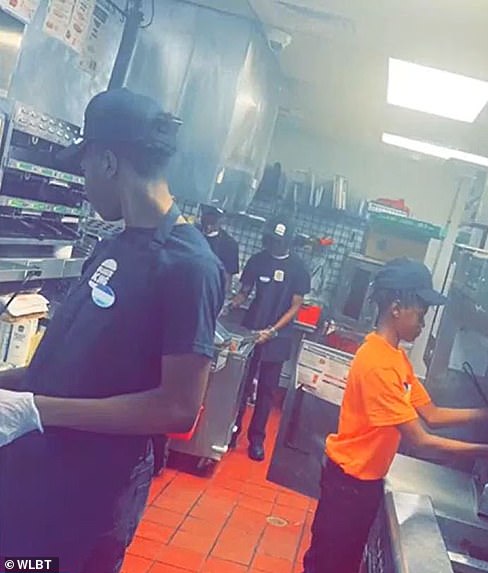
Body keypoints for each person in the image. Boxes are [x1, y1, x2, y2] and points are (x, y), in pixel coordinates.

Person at [0, 89, 224, 572]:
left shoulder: (191, 267)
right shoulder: (113, 247)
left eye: (83, 169)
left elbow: (178, 406)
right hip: (37, 476)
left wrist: (35, 410)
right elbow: (63, 364)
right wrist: (11, 389)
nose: (83, 182)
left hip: (91, 498)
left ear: (106, 161)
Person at [302, 258, 488, 573]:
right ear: (396, 308)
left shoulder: (396, 357)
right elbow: (422, 441)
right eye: (421, 314)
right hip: (348, 486)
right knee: (329, 566)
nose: (424, 323)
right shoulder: (378, 363)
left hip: (363, 483)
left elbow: (433, 414)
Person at [231, 215, 310, 461]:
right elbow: (245, 292)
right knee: (240, 386)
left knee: (266, 390)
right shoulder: (257, 260)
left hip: (278, 337)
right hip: (251, 332)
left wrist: (273, 330)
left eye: (281, 241)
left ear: (289, 241)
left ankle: (256, 439)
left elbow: (296, 306)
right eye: (273, 240)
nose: (276, 244)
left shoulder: (299, 268)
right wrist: (232, 302)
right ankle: (232, 430)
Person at [200, 204, 240, 292]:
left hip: (209, 290)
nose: (209, 220)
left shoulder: (230, 244)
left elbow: (227, 278)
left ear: (222, 219)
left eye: (214, 217)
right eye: (207, 215)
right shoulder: (191, 234)